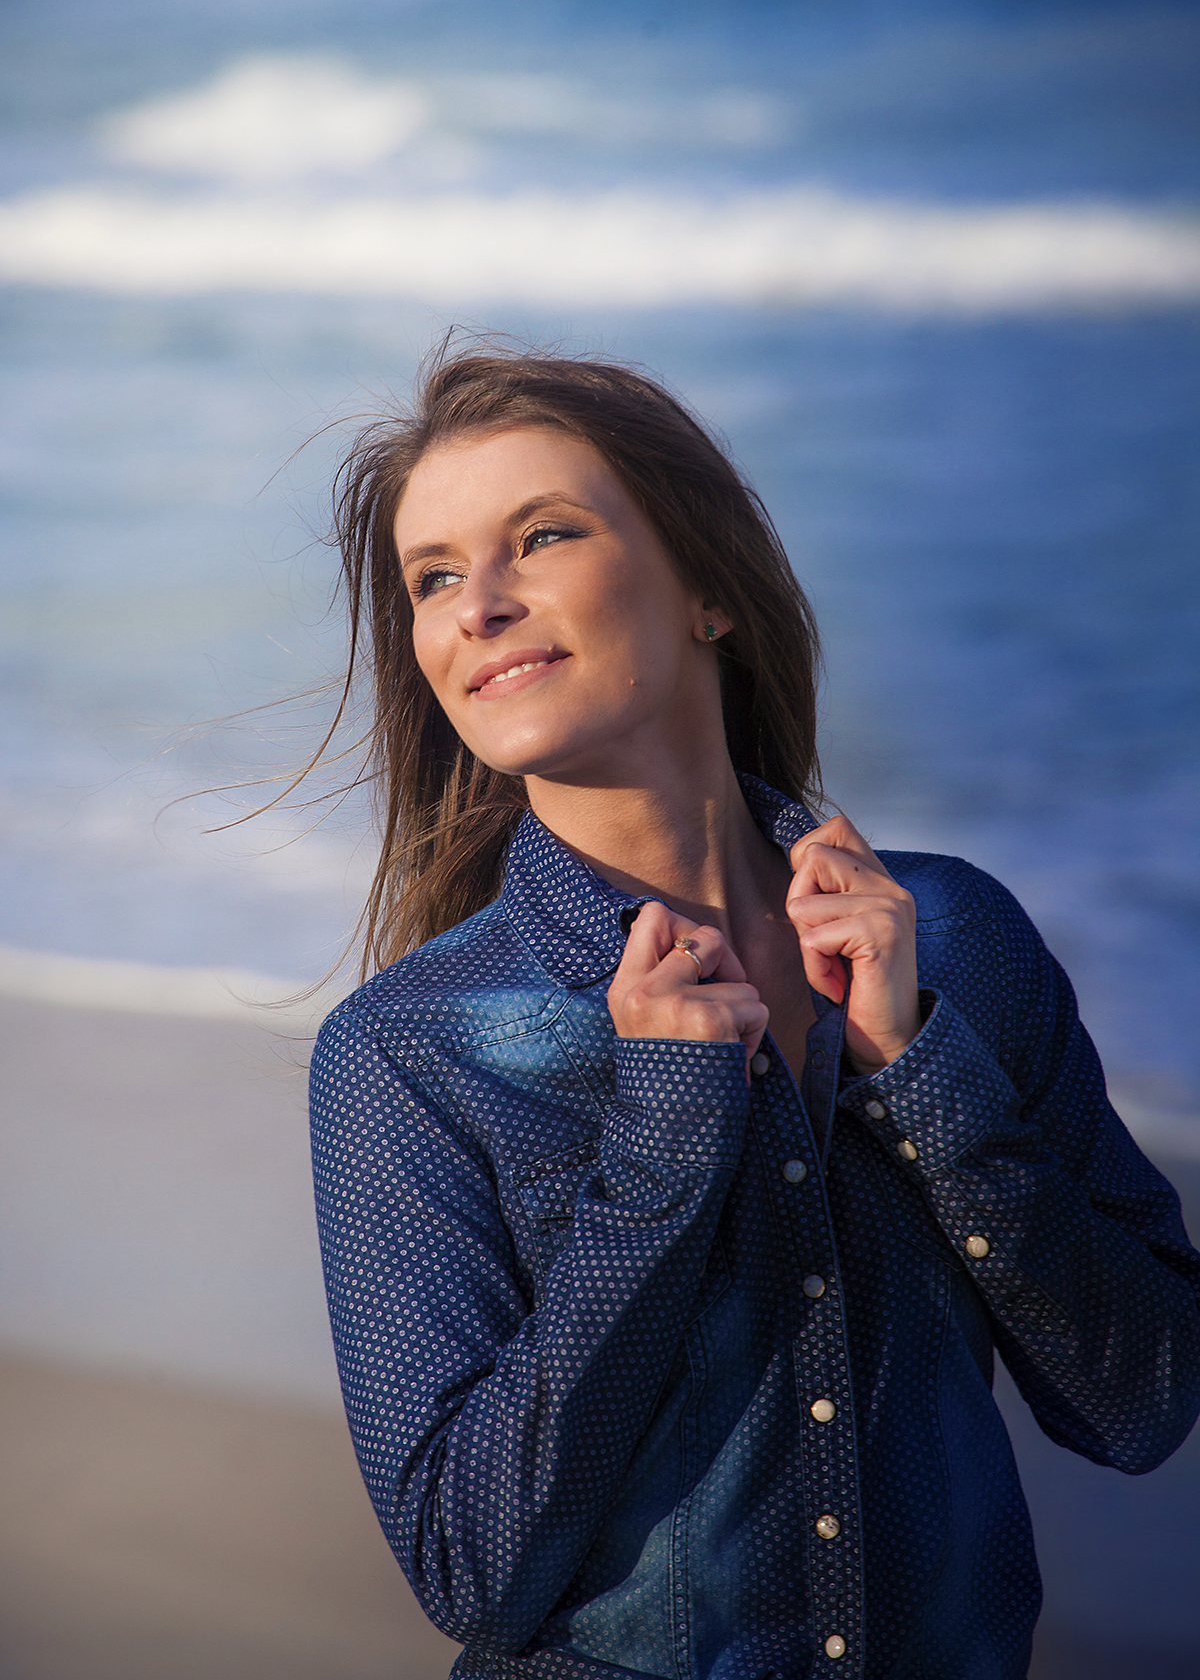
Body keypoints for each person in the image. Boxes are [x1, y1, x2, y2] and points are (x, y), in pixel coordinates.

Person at [308, 345, 1200, 1680]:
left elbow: (1147, 1398)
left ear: (709, 587)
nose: (476, 606)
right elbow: (470, 1567)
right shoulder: (407, 1052)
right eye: (433, 576)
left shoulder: (955, 940)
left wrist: (922, 1071)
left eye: (538, 537)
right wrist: (664, 1144)